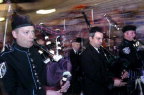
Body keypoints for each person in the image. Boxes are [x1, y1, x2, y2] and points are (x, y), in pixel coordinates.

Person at [0, 13, 69, 95]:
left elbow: (44, 77)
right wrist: (44, 93)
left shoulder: (37, 51)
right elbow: (11, 90)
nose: (32, 36)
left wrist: (60, 82)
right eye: (26, 32)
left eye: (32, 31)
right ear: (15, 34)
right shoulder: (6, 57)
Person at [80, 26, 126, 95]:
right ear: (90, 38)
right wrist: (112, 82)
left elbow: (107, 68)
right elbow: (95, 76)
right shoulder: (85, 55)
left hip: (103, 89)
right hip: (94, 91)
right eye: (98, 38)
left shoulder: (101, 50)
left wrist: (120, 72)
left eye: (102, 38)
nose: (101, 41)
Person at [118, 25, 144, 95]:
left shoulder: (136, 43)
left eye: (134, 33)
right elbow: (130, 61)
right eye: (132, 33)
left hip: (139, 73)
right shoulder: (124, 46)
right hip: (131, 76)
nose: (134, 35)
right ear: (125, 34)